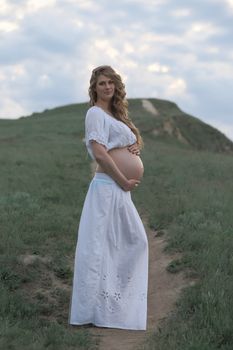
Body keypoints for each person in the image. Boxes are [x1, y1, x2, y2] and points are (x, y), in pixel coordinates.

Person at [68, 65, 148, 330]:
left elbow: (121, 145)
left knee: (133, 242)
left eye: (111, 82)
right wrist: (123, 179)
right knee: (98, 248)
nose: (107, 87)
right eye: (102, 83)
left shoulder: (115, 115)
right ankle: (92, 311)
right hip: (107, 187)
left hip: (117, 190)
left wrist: (135, 145)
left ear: (116, 86)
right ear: (94, 87)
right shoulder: (94, 113)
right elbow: (100, 153)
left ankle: (114, 308)